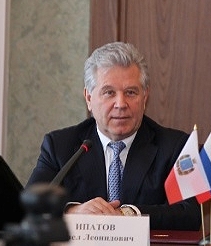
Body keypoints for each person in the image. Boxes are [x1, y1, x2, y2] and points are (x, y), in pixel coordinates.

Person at [26, 41, 200, 231]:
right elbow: (30, 206)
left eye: (130, 92)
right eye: (109, 92)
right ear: (89, 98)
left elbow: (190, 214)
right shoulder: (60, 146)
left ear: (145, 97)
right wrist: (73, 212)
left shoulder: (176, 147)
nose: (120, 104)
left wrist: (127, 214)